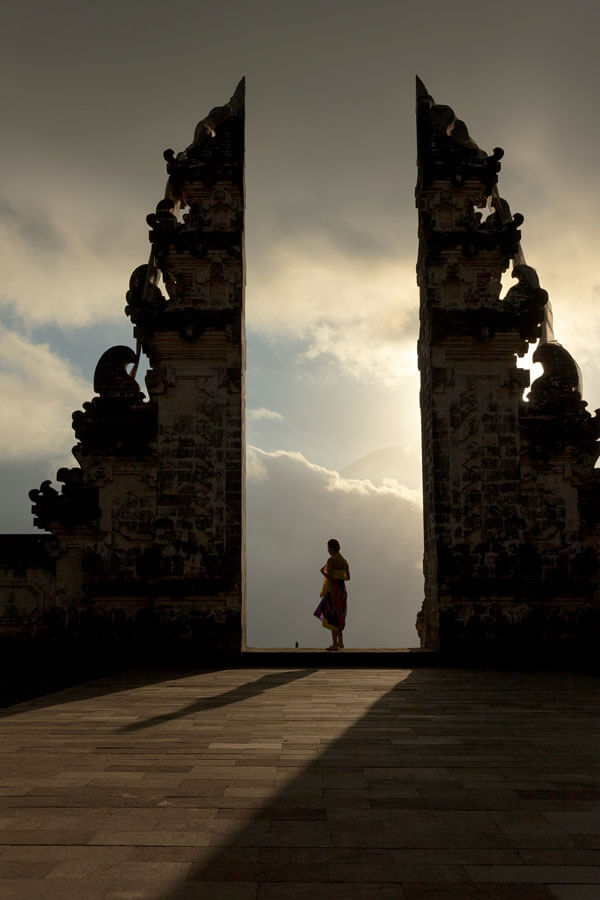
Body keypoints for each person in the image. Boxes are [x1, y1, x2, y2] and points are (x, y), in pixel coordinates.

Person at [313, 538, 350, 651]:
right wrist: (338, 574)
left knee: (331, 616)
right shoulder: (344, 561)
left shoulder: (331, 561)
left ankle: (335, 644)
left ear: (332, 548)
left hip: (333, 590)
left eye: (328, 548)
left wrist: (323, 572)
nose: (328, 551)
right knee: (340, 615)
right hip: (342, 591)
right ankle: (340, 642)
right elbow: (348, 577)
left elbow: (329, 577)